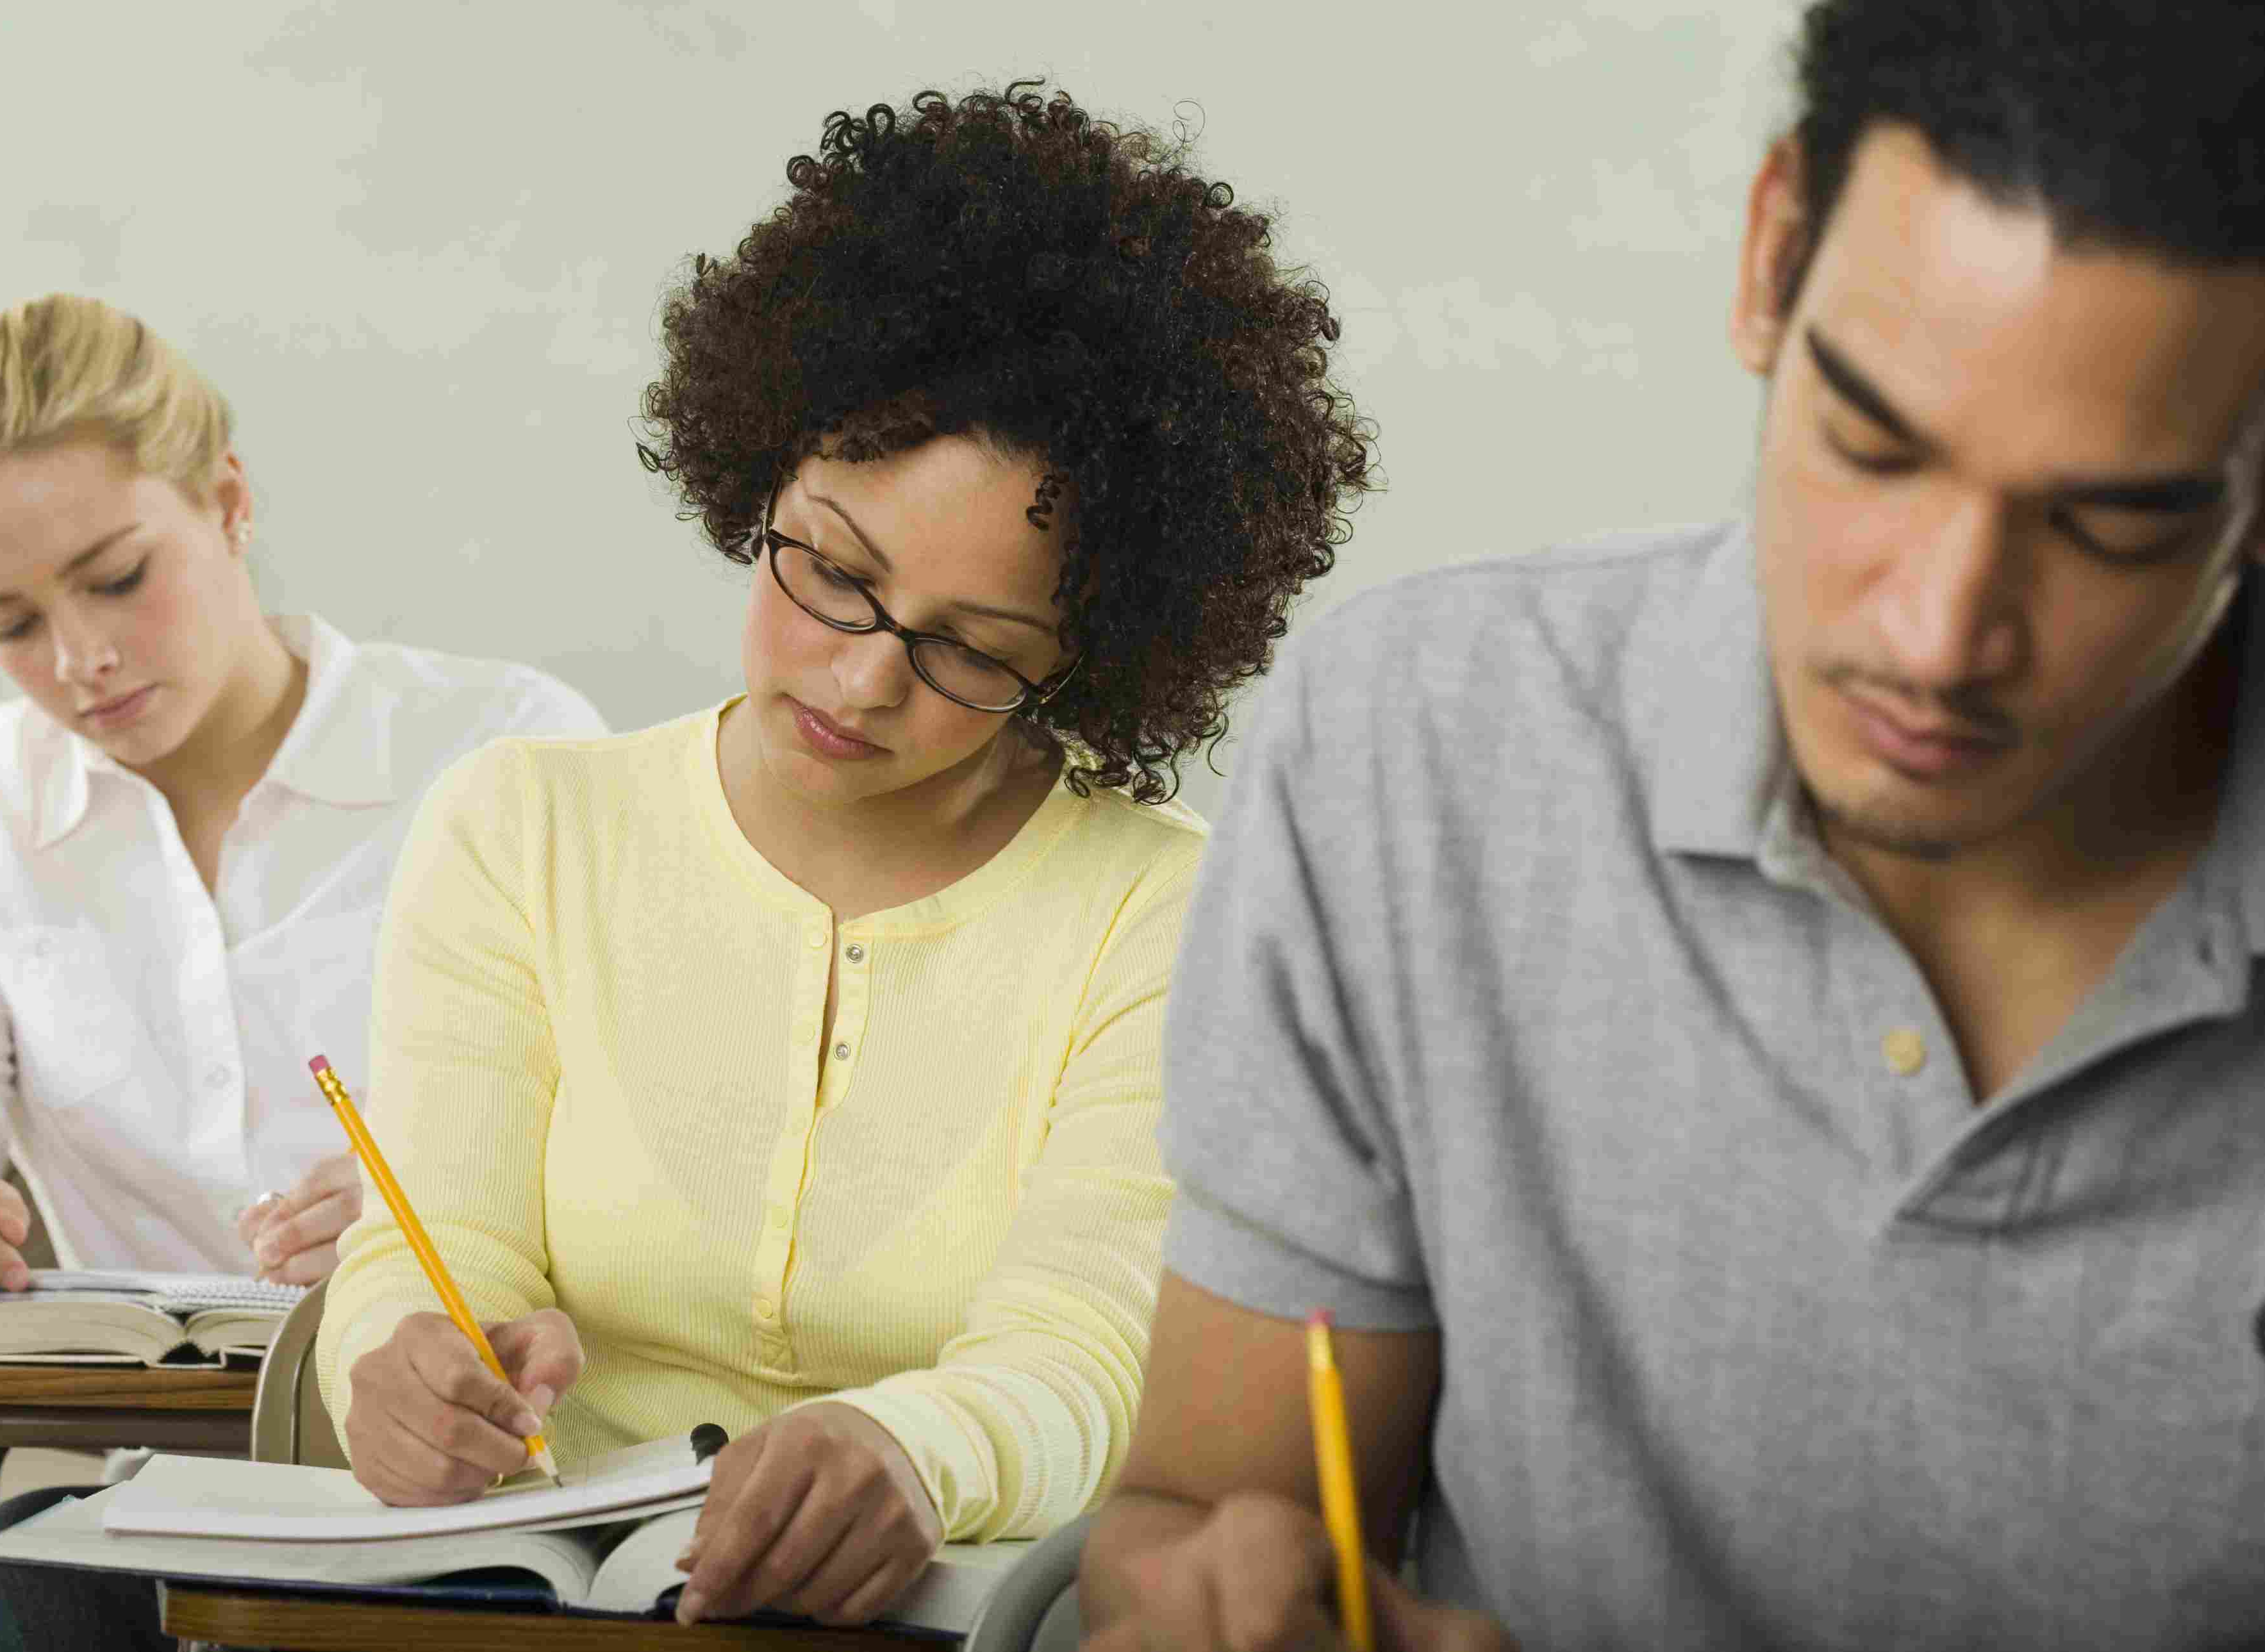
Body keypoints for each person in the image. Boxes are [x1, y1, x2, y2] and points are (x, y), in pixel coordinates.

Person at [1082, 3, 2265, 1649]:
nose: (1937, 634)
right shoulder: (1410, 750)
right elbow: (1200, 1512)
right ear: (1772, 252)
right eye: (1873, 443)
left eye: (2108, 527)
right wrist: (1233, 1602)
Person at [317, 81, 1372, 1637]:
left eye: (971, 650)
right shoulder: (522, 826)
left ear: (1093, 656)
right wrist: (403, 1356)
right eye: (833, 572)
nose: (864, 681)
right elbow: (432, 1246)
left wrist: (909, 1451)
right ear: (754, 476)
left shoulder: (1163, 907)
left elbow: (1086, 1348)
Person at [0, 294, 607, 1648]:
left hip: (497, 1473)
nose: (81, 659)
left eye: (118, 576)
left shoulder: (504, 752)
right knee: (5, 1593)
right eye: (8, 622)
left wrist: (459, 1198)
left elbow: (663, 1125)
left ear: (228, 501)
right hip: (175, 1484)